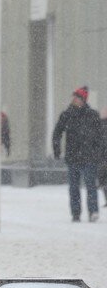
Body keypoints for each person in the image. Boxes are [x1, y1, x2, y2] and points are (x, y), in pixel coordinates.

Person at [52, 86, 102, 222]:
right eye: (73, 97)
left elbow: (100, 136)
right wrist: (56, 150)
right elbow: (57, 132)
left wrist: (99, 152)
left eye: (77, 97)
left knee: (91, 186)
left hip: (89, 157)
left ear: (83, 100)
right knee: (74, 188)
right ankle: (76, 213)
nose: (74, 99)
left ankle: (93, 211)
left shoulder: (92, 115)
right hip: (73, 156)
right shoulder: (67, 114)